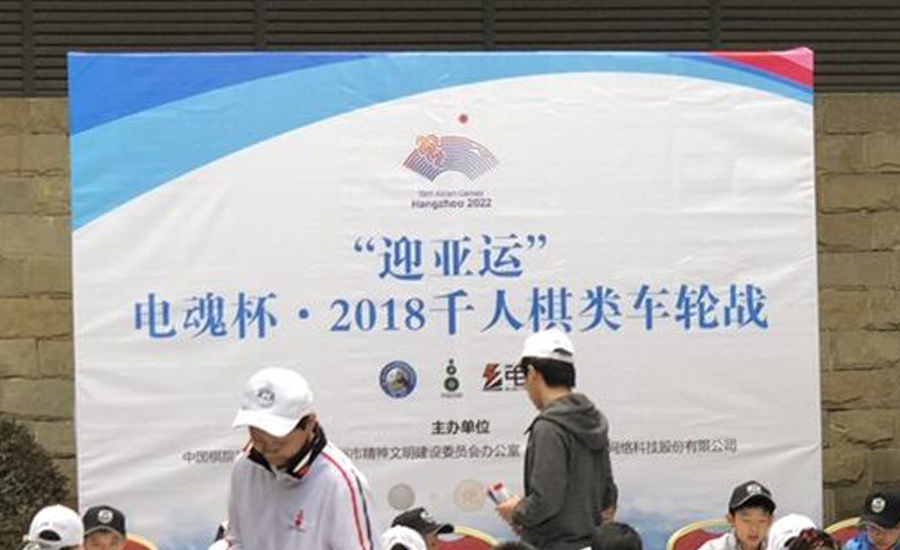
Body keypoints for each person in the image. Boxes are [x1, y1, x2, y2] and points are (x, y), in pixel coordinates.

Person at [227, 367, 380, 550]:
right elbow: (236, 540)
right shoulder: (244, 466)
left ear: (309, 423)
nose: (266, 448)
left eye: (277, 439)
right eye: (257, 435)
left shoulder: (339, 484)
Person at [495, 328, 617, 550]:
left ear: (532, 372)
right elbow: (608, 495)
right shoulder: (593, 419)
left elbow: (545, 500)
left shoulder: (549, 427)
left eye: (524, 379)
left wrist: (517, 511)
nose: (525, 387)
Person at [698, 480, 776, 550]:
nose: (754, 529)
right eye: (746, 521)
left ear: (770, 521)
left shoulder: (777, 545)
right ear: (731, 519)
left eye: (762, 521)